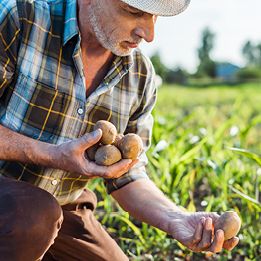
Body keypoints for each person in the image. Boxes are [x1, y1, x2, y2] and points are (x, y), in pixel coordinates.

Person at [0, 0, 239, 260]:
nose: (148, 34)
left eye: (155, 18)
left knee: (45, 218)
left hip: (63, 205)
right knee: (34, 215)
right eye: (134, 12)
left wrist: (176, 219)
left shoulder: (140, 75)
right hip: (20, 203)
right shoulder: (21, 18)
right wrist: (50, 153)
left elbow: (129, 175)